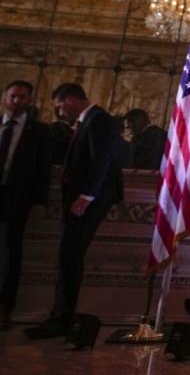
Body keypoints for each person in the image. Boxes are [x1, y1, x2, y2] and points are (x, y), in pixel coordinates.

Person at [24, 83, 124, 339]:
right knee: (67, 258)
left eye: (58, 106)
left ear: (68, 100)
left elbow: (102, 159)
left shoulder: (98, 120)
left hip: (88, 202)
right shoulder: (89, 120)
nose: (59, 112)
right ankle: (60, 316)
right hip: (84, 201)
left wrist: (86, 196)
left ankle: (62, 319)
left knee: (69, 257)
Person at [0, 81, 51, 330]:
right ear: (4, 98)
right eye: (13, 96)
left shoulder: (39, 132)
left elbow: (43, 170)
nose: (17, 101)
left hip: (16, 200)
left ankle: (4, 309)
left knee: (10, 255)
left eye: (22, 97)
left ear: (30, 100)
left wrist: (40, 201)